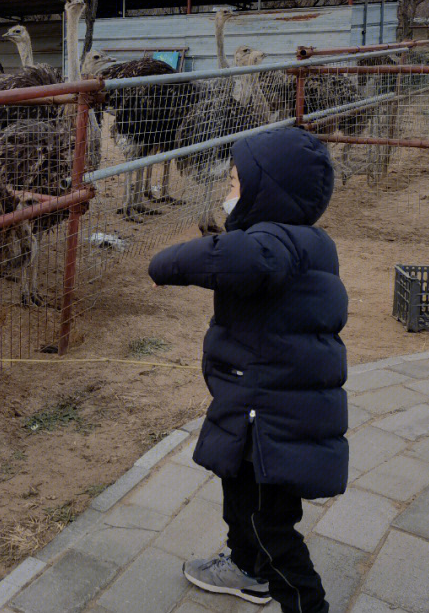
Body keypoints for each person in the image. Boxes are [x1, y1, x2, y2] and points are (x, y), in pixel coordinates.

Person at [148, 127, 348, 613]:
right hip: (259, 406)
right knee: (239, 497)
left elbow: (244, 259)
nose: (228, 193)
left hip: (270, 418)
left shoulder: (271, 243)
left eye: (236, 182)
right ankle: (245, 567)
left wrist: (164, 264)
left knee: (269, 527)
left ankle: (306, 603)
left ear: (269, 191)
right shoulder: (310, 242)